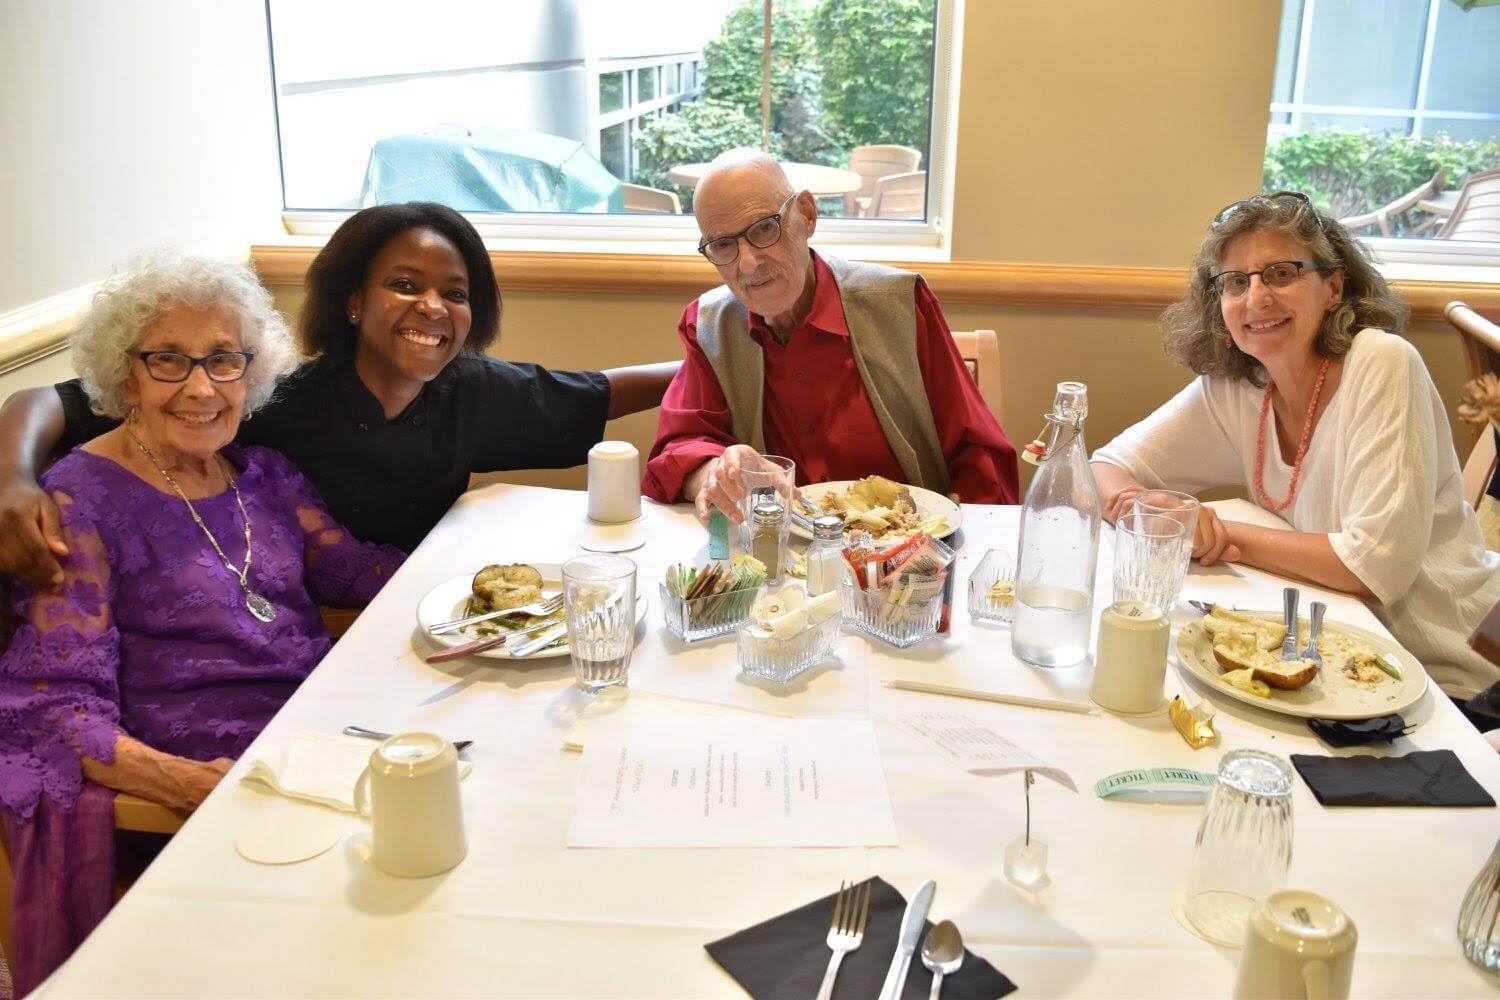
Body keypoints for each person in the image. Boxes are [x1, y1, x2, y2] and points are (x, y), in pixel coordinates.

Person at [0, 251, 407, 994]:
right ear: (123, 376)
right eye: (168, 361)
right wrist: (192, 786)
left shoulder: (262, 474)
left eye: (222, 360)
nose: (200, 388)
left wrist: (503, 579)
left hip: (320, 750)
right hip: (212, 797)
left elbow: (357, 573)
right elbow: (58, 710)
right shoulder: (78, 505)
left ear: (250, 374)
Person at [0, 201, 679, 583]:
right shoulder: (272, 393)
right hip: (303, 625)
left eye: (456, 293)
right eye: (405, 284)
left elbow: (601, 392)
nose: (433, 308)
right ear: (354, 302)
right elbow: (45, 403)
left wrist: (717, 355)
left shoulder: (470, 390)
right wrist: (11, 478)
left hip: (418, 607)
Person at [1091, 191, 1500, 713]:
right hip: (1333, 664)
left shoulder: (1382, 364)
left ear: (1333, 287)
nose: (1255, 298)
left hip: (1448, 678)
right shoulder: (1239, 382)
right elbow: (1108, 464)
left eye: (1281, 273)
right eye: (1236, 282)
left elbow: (1373, 569)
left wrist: (1214, 527)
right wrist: (1146, 511)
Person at [642, 149, 1018, 522]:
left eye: (764, 229)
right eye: (723, 245)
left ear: (806, 215)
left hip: (904, 555)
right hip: (782, 559)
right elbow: (678, 448)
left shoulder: (901, 306)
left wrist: (941, 541)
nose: (748, 264)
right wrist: (714, 473)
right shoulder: (709, 326)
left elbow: (979, 455)